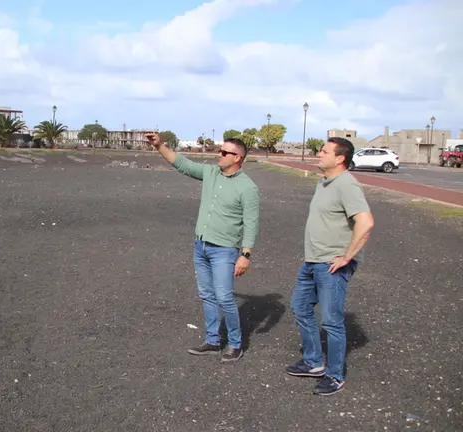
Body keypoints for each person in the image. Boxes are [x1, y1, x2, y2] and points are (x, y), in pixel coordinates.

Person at [146, 132, 260, 362]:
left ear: (238, 158)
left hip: (224, 250)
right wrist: (159, 145)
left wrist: (245, 255)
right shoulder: (210, 173)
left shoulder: (248, 188)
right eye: (220, 150)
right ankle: (212, 341)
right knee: (207, 295)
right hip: (201, 246)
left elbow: (251, 223)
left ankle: (236, 344)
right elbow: (182, 164)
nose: (220, 154)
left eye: (225, 152)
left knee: (224, 297)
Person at [285, 137, 375, 396]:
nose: (319, 153)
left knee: (332, 321)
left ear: (340, 158)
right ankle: (313, 362)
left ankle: (335, 376)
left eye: (324, 151)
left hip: (331, 266)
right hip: (312, 261)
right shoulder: (324, 183)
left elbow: (366, 223)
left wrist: (347, 257)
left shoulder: (347, 185)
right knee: (300, 307)